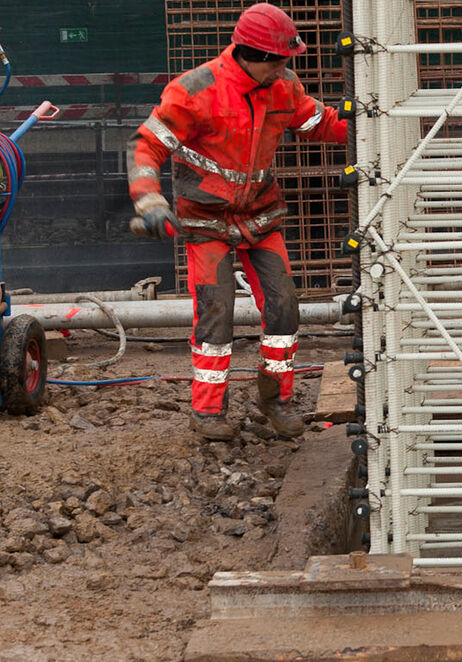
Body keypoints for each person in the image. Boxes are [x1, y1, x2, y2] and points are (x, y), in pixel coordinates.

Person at [126, 3, 348, 441]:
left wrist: (369, 121)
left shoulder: (282, 86)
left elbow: (319, 122)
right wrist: (148, 199)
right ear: (252, 54)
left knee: (284, 306)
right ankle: (208, 412)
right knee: (216, 312)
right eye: (280, 60)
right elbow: (147, 145)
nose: (285, 69)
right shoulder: (195, 90)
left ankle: (276, 399)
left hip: (260, 216)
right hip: (205, 220)